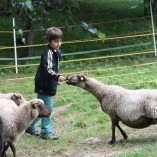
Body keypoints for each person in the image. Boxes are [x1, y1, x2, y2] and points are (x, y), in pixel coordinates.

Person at [26, 27, 65, 140]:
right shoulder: (47, 52)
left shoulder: (57, 52)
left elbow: (54, 68)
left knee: (43, 109)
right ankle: (46, 132)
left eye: (60, 41)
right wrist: (57, 76)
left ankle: (30, 126)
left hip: (49, 83)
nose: (58, 44)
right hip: (43, 84)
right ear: (49, 41)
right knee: (47, 109)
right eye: (55, 41)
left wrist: (56, 79)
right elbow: (47, 69)